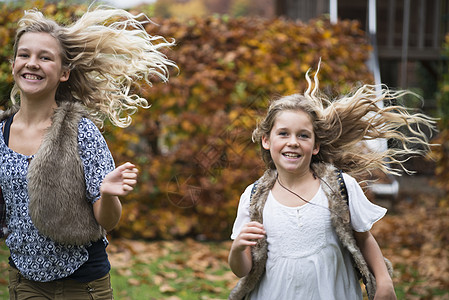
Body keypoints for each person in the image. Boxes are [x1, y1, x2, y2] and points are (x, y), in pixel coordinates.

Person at [0, 6, 175, 299]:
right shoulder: (1, 132)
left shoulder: (81, 132)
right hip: (24, 281)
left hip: (82, 284)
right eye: (24, 55)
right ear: (14, 63)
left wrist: (107, 194)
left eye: (45, 57)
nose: (32, 63)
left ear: (64, 73)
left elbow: (108, 221)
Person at [228, 64, 435, 300]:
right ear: (266, 140)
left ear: (315, 146)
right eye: (283, 133)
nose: (293, 142)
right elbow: (242, 270)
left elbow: (364, 238)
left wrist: (384, 281)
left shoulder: (339, 186)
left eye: (303, 135)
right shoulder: (254, 197)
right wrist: (237, 249)